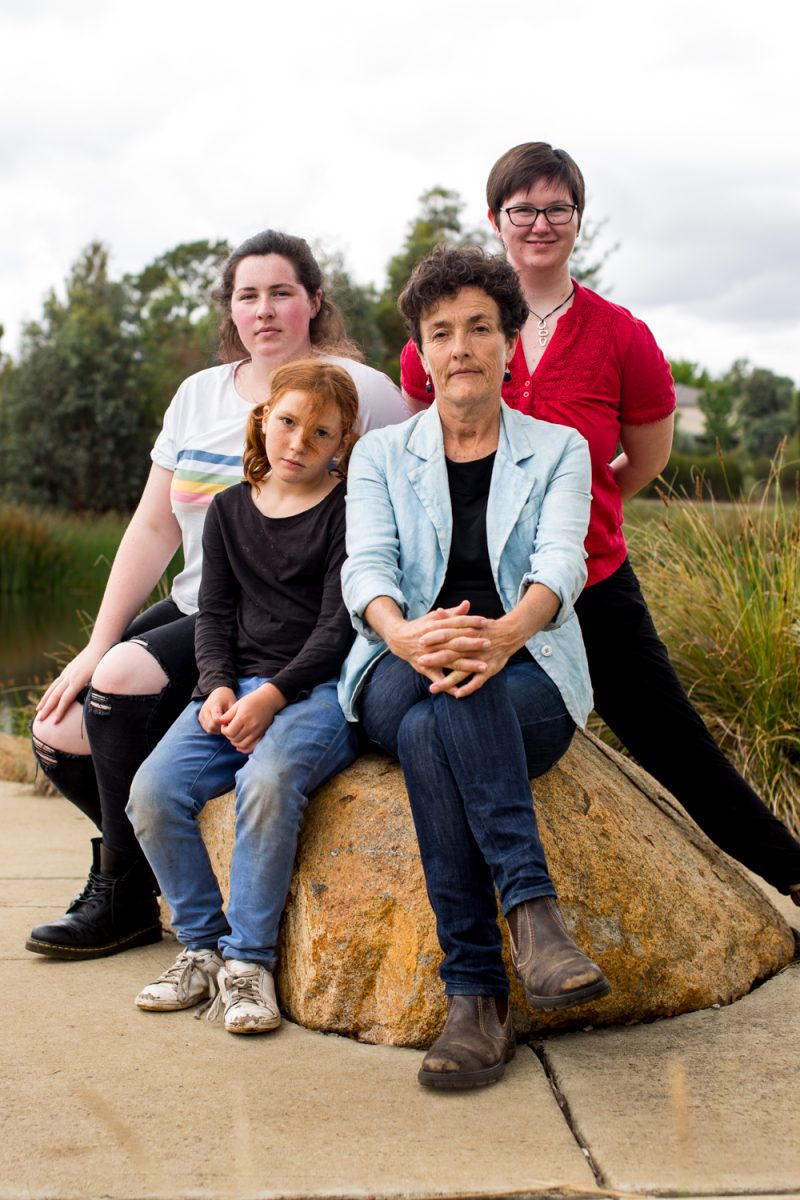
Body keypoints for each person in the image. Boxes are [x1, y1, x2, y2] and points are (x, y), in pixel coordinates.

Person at [400, 143, 800, 906]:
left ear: (578, 220)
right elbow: (431, 437)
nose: (540, 223)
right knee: (438, 718)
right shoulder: (458, 326)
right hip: (479, 582)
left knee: (675, 743)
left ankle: (793, 875)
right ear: (497, 219)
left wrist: (576, 503)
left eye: (557, 208)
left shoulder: (620, 335)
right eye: (523, 209)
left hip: (593, 576)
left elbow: (643, 459)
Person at [28, 230, 409, 962]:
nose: (263, 310)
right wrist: (94, 643)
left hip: (295, 617)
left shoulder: (358, 390)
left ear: (314, 302)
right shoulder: (200, 393)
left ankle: (119, 894)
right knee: (57, 731)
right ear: (230, 309)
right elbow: (152, 526)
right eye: (247, 295)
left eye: (281, 292)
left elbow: (403, 494)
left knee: (117, 686)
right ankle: (143, 879)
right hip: (206, 603)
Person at [339, 244, 610, 1090]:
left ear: (507, 340)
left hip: (525, 664)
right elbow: (367, 568)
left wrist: (503, 634)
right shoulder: (381, 455)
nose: (462, 347)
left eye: (480, 328)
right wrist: (407, 633)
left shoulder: (560, 449)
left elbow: (561, 565)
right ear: (421, 351)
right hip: (398, 658)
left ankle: (475, 998)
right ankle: (533, 915)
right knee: (428, 698)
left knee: (437, 723)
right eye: (442, 331)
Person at [127, 360, 359, 1034]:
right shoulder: (229, 508)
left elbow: (337, 627)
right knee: (153, 791)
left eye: (320, 434)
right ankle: (202, 947)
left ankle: (249, 965)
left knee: (268, 780)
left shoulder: (347, 511)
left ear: (340, 444)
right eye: (287, 422)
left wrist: (275, 696)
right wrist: (218, 686)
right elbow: (215, 615)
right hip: (238, 684)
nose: (298, 443)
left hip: (317, 692)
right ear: (264, 419)